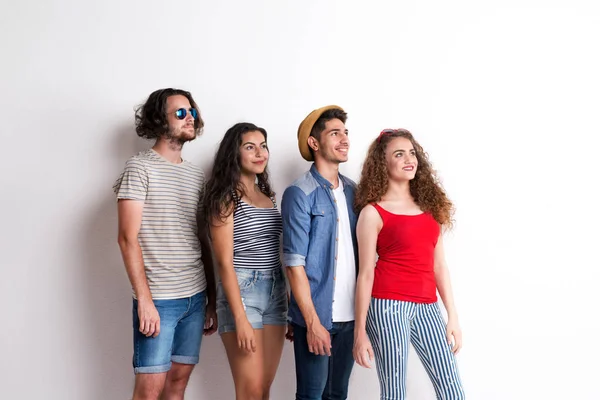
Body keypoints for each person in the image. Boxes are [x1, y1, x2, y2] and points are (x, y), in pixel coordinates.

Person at [113, 88, 217, 400]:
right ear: (160, 120)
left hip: (194, 297)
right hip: (159, 299)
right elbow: (126, 238)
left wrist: (211, 297)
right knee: (149, 392)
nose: (190, 118)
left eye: (192, 112)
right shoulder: (139, 167)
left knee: (177, 387)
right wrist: (144, 300)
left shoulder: (195, 174)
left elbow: (201, 239)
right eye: (180, 113)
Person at [352, 129, 465, 399]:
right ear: (383, 163)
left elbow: (440, 266)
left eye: (411, 153)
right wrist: (360, 331)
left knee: (452, 389)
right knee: (394, 392)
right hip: (388, 306)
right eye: (398, 154)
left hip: (427, 306)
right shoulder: (372, 212)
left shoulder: (431, 209)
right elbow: (365, 273)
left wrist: (452, 316)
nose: (408, 159)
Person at [204, 122, 288, 400]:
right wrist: (239, 317)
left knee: (263, 388)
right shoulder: (225, 198)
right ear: (234, 154)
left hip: (275, 289)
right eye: (249, 147)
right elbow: (224, 262)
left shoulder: (268, 196)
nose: (259, 153)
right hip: (242, 290)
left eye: (263, 146)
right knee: (249, 391)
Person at [282, 106, 358, 399]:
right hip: (316, 318)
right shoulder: (299, 193)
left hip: (351, 317)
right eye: (334, 133)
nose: (344, 139)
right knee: (311, 396)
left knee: (338, 394)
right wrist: (312, 323)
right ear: (314, 143)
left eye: (346, 133)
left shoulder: (355, 192)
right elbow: (294, 264)